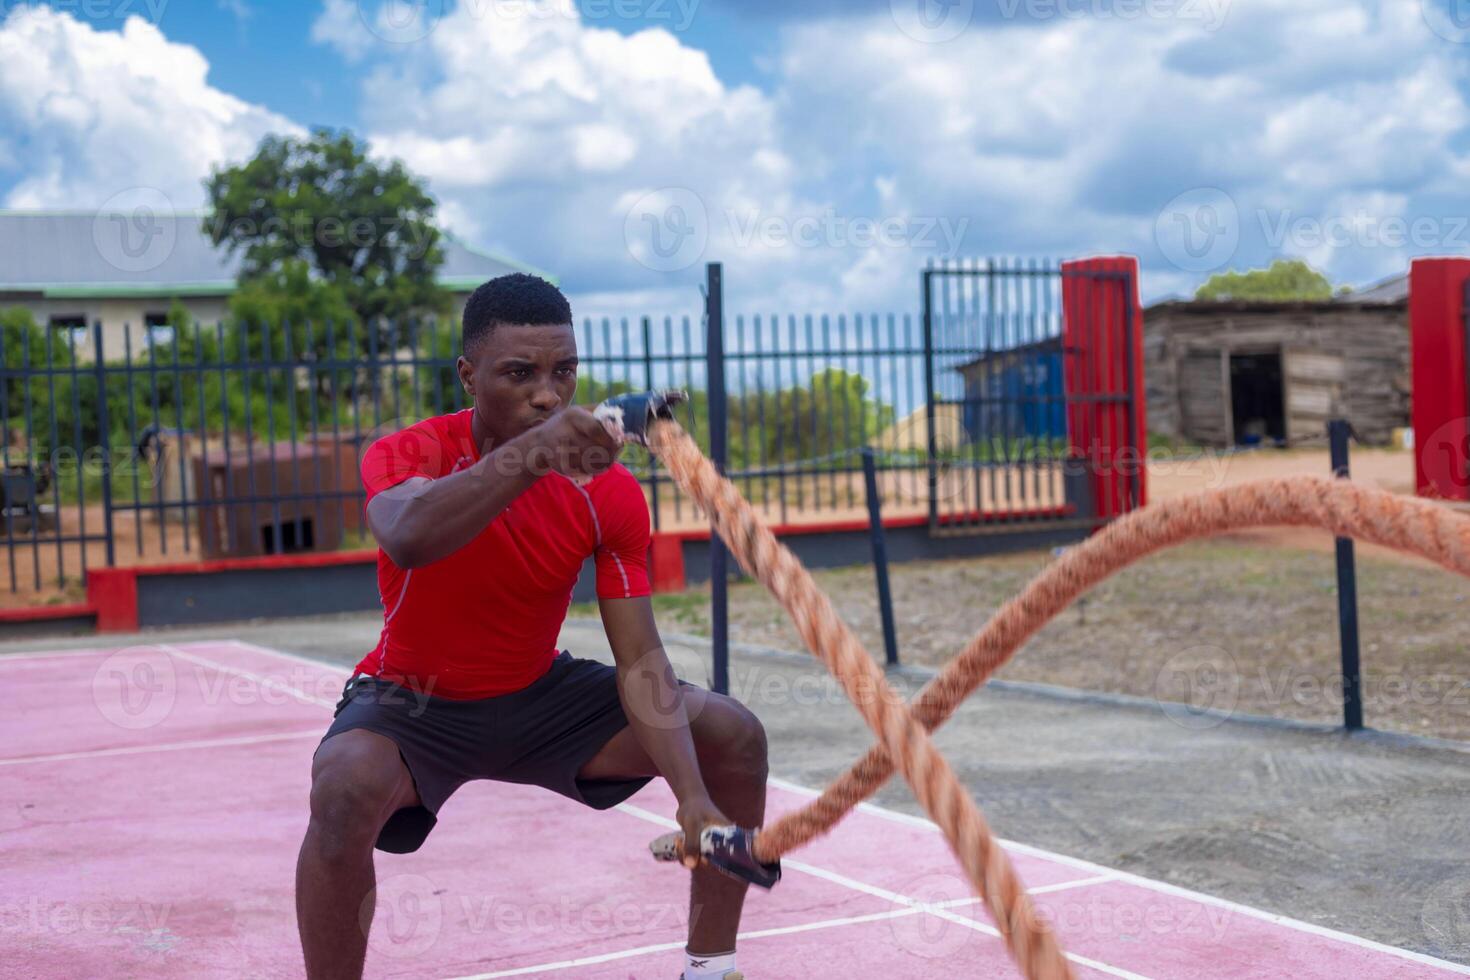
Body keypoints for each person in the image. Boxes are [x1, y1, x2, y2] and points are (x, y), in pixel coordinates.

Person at [295, 274, 766, 980]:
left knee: (731, 734)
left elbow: (640, 658)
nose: (547, 394)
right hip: (414, 701)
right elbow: (410, 536)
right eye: (520, 374)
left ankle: (710, 969)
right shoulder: (411, 452)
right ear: (469, 376)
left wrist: (693, 800)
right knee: (342, 784)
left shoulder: (607, 493)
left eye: (563, 372)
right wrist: (533, 454)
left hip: (537, 699)